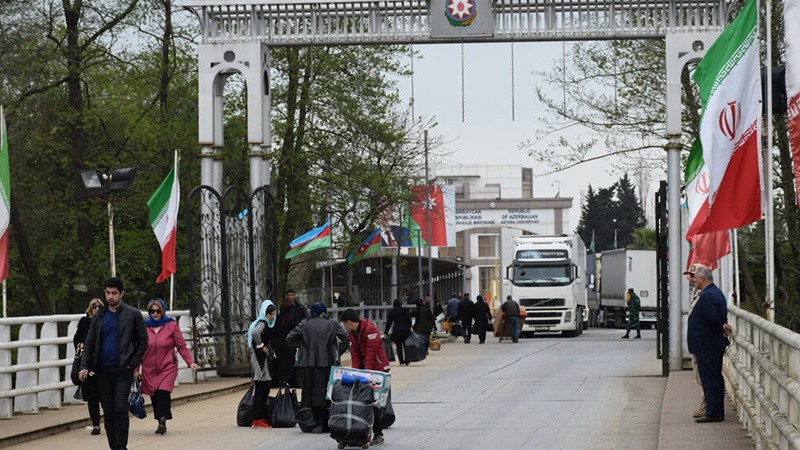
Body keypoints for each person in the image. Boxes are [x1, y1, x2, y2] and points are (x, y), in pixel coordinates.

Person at [79, 277, 148, 450]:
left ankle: (121, 446)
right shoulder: (99, 316)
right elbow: (89, 342)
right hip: (103, 369)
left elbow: (143, 341)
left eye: (114, 293)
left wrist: (132, 363)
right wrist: (84, 366)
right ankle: (114, 446)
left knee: (120, 407)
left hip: (123, 368)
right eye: (108, 293)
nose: (110, 297)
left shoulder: (132, 314)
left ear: (122, 294)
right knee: (108, 410)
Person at [136, 298, 199, 435]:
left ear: (163, 311)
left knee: (163, 392)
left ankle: (162, 421)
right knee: (154, 394)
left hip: (168, 367)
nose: (155, 313)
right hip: (149, 368)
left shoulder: (171, 325)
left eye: (158, 311)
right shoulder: (144, 327)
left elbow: (181, 346)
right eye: (152, 311)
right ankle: (159, 418)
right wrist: (136, 369)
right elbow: (138, 350)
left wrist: (190, 362)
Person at [286, 301, 349, 433]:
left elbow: (289, 338)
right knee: (327, 393)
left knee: (310, 393)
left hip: (309, 364)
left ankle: (315, 423)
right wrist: (337, 352)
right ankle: (327, 422)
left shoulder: (304, 324)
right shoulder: (332, 324)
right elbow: (345, 338)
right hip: (327, 364)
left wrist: (302, 348)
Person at [685, 264, 731, 423]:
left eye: (695, 278)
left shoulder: (707, 296)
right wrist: (722, 328)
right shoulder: (715, 292)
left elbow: (712, 318)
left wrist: (720, 329)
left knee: (710, 379)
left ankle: (713, 412)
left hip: (707, 344)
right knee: (715, 377)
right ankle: (717, 411)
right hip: (712, 343)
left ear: (702, 278)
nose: (693, 281)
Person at [341, 309, 390, 446]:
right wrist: (356, 373)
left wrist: (366, 374)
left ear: (349, 322)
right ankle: (361, 433)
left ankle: (378, 434)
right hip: (365, 371)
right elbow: (355, 356)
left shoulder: (370, 329)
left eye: (344, 324)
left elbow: (371, 354)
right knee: (363, 402)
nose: (344, 327)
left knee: (373, 403)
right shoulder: (352, 334)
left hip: (377, 369)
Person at [73, 298, 104, 436]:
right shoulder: (84, 322)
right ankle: (96, 425)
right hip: (88, 363)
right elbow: (77, 338)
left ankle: (109, 421)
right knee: (92, 396)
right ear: (90, 309)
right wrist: (80, 344)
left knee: (105, 395)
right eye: (94, 306)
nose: (97, 309)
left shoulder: (106, 322)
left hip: (103, 363)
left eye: (99, 307)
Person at [248, 299, 277, 428]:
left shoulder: (264, 323)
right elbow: (255, 333)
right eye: (270, 314)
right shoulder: (262, 323)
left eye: (273, 314)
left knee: (264, 387)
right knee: (261, 387)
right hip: (258, 359)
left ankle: (261, 416)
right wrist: (260, 345)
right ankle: (257, 418)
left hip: (261, 359)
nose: (271, 317)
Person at [272, 301, 299, 386]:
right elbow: (295, 331)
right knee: (289, 361)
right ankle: (288, 378)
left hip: (277, 344)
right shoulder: (290, 319)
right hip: (288, 344)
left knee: (280, 361)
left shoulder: (277, 319)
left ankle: (280, 378)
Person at [385, 299, 412, 365]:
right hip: (405, 329)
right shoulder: (405, 310)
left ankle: (401, 361)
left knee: (398, 346)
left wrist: (386, 332)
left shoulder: (392, 312)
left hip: (397, 329)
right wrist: (410, 326)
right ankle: (407, 360)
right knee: (406, 346)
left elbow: (389, 323)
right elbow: (409, 320)